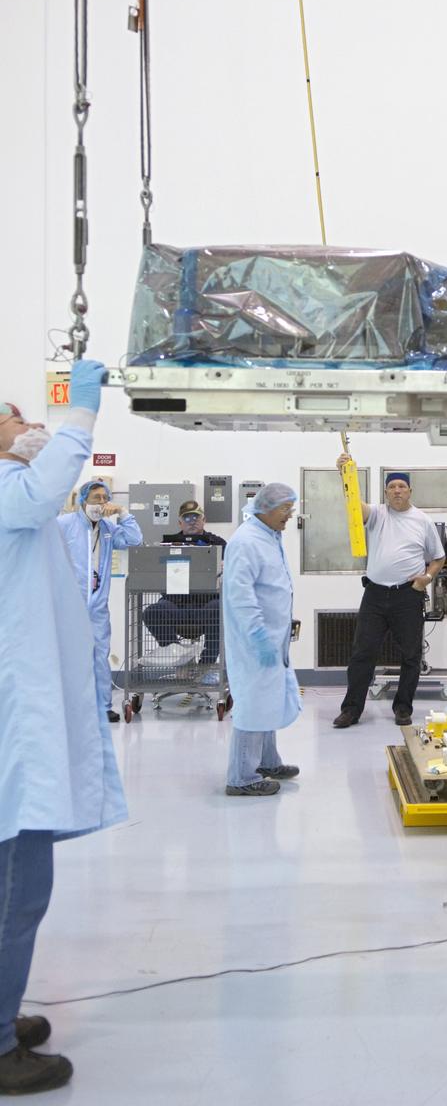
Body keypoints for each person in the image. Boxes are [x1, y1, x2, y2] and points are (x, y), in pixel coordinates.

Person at [0, 364, 127, 1095]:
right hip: (15, 737)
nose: (29, 426)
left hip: (24, 726)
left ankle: (2, 1010)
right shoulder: (15, 493)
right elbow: (49, 484)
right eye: (16, 418)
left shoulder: (21, 498)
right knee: (16, 891)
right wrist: (78, 411)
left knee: (20, 887)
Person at [332, 463, 446, 729]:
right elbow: (355, 506)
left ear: (410, 491)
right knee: (362, 654)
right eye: (392, 487)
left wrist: (427, 578)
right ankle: (351, 711)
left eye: (401, 487)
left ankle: (403, 709)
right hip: (374, 594)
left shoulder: (422, 521)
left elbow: (439, 557)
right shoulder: (376, 514)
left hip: (408, 596)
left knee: (410, 655)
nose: (397, 491)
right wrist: (345, 476)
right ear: (386, 492)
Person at [223, 483, 302, 797]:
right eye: (285, 509)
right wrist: (257, 634)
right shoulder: (246, 541)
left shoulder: (268, 536)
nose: (290, 515)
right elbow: (240, 595)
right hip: (255, 639)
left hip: (272, 637)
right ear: (267, 508)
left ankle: (267, 761)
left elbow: (272, 585)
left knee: (268, 699)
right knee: (253, 705)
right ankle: (241, 777)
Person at [58, 479, 143, 722]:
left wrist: (124, 513)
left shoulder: (108, 529)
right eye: (96, 498)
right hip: (69, 605)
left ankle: (103, 706)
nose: (101, 503)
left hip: (96, 606)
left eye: (105, 499)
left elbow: (134, 540)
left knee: (99, 656)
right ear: (83, 500)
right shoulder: (64, 524)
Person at [142, 501, 226, 666]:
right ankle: (181, 661)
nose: (192, 521)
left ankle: (205, 666)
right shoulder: (167, 545)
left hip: (207, 605)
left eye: (196, 517)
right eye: (187, 518)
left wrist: (223, 566)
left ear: (204, 520)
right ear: (179, 522)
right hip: (175, 605)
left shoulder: (219, 544)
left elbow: (233, 571)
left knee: (220, 608)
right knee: (152, 612)